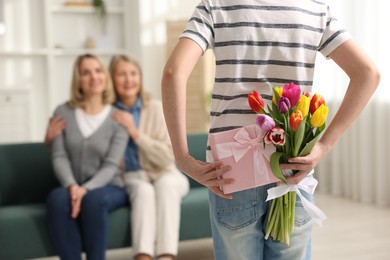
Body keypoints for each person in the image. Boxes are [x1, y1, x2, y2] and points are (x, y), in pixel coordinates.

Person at [161, 1, 380, 260]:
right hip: (292, 165)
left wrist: (183, 159)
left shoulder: (216, 5)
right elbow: (368, 73)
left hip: (231, 170)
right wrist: (323, 145)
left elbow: (174, 73)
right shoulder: (315, 8)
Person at [46, 53, 129, 260]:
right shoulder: (62, 112)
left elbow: (111, 165)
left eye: (98, 70)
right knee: (57, 198)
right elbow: (59, 156)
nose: (94, 77)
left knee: (93, 200)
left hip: (111, 186)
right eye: (86, 72)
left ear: (105, 76)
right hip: (72, 184)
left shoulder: (118, 117)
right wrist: (73, 187)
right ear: (78, 80)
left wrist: (85, 189)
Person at [109, 55, 189, 260]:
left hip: (166, 172)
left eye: (133, 74)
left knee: (167, 186)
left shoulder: (154, 107)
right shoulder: (108, 114)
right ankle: (143, 256)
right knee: (144, 191)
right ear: (112, 79)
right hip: (132, 177)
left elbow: (167, 157)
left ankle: (166, 256)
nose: (129, 80)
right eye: (122, 74)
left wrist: (135, 134)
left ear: (140, 78)